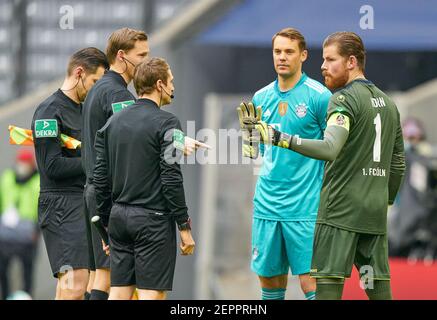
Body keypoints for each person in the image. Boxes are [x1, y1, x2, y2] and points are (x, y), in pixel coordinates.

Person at [241, 31, 405, 300]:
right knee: (377, 290)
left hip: (321, 210)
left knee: (320, 287)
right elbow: (397, 162)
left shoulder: (330, 98)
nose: (324, 66)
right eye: (277, 51)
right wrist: (385, 199)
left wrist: (281, 138)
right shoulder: (388, 103)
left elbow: (330, 148)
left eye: (330, 60)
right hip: (277, 207)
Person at [238, 28, 331, 300]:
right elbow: (254, 151)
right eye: (277, 51)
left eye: (289, 51)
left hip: (305, 206)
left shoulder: (319, 96)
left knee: (310, 284)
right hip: (267, 204)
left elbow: (333, 148)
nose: (282, 57)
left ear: (303, 55)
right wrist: (248, 139)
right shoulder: (261, 97)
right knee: (269, 282)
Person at [93, 57, 195, 300]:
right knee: (151, 294)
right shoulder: (168, 122)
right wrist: (184, 226)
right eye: (171, 81)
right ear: (159, 84)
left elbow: (100, 178)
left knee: (118, 292)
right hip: (153, 221)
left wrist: (107, 222)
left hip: (119, 218)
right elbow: (171, 178)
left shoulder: (112, 123)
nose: (173, 87)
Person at [31, 47, 108, 300]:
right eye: (95, 81)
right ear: (79, 73)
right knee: (74, 286)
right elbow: (51, 167)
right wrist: (94, 161)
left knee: (79, 287)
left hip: (84, 202)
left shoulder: (87, 110)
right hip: (61, 204)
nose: (96, 89)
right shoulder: (48, 112)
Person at [81, 27, 149, 300]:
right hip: (107, 196)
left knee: (97, 275)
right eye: (141, 55)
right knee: (109, 278)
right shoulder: (118, 95)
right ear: (122, 56)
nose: (146, 61)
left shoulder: (99, 89)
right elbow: (133, 142)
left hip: (93, 192)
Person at [0, 149, 39, 300]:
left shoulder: (38, 181)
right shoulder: (8, 177)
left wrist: (37, 230)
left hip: (28, 234)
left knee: (27, 270)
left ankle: (27, 295)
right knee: (3, 270)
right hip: (6, 233)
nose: (22, 166)